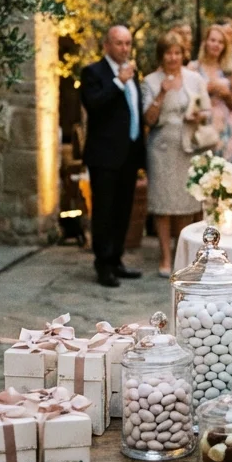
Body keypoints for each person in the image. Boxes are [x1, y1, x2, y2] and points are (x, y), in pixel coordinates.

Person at [80, 26, 146, 287]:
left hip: (129, 153)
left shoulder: (131, 72)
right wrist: (119, 82)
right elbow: (94, 104)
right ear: (106, 45)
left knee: (123, 210)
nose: (124, 48)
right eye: (119, 43)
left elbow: (134, 111)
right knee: (104, 211)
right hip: (104, 154)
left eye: (128, 43)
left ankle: (117, 259)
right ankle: (103, 264)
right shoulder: (93, 72)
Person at [142, 33, 212, 277]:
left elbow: (207, 111)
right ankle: (164, 256)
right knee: (163, 204)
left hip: (188, 147)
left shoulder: (195, 78)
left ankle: (181, 255)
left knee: (185, 204)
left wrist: (198, 116)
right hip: (162, 148)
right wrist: (161, 94)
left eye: (177, 53)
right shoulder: (150, 81)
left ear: (183, 54)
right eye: (168, 53)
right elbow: (148, 119)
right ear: (161, 56)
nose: (173, 57)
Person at [190, 24, 232, 162]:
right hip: (203, 126)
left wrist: (227, 95)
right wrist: (207, 90)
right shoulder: (193, 68)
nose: (216, 45)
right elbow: (189, 102)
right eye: (213, 40)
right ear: (205, 42)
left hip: (226, 125)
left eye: (220, 42)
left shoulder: (229, 69)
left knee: (227, 169)